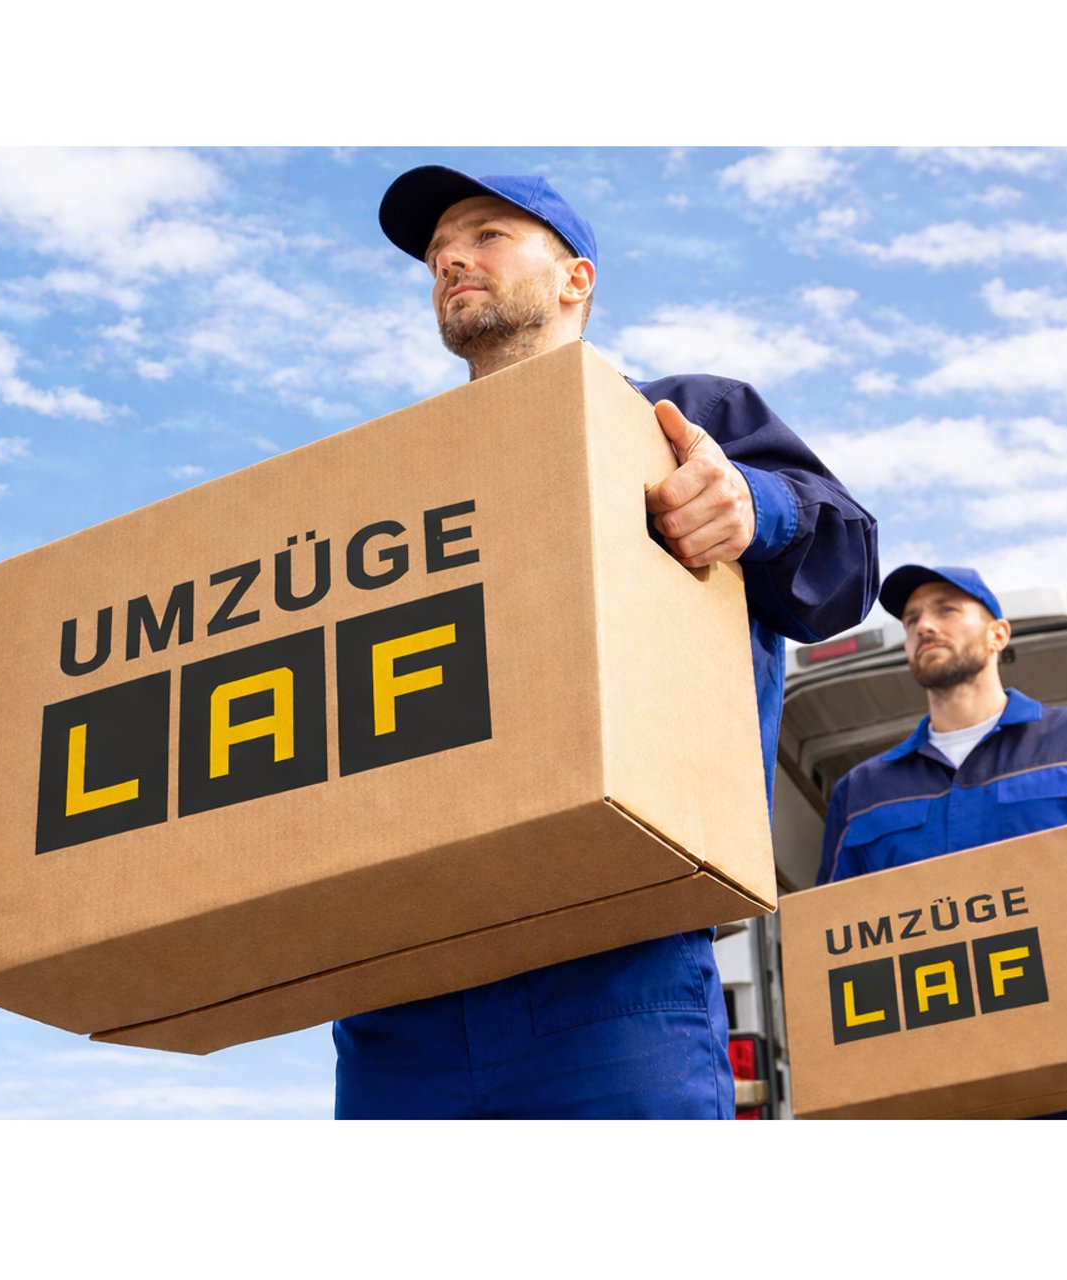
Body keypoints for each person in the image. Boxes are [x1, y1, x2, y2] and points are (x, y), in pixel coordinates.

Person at [331, 165, 880, 1119]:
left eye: (487, 235)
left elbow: (846, 567)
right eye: (437, 254)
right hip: (398, 988)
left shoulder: (684, 420)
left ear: (575, 279)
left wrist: (754, 506)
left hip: (617, 963)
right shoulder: (392, 484)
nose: (451, 259)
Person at [815, 564, 1067, 1118]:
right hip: (927, 1100)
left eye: (947, 610)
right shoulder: (861, 791)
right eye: (912, 619)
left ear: (998, 633)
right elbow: (830, 940)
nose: (924, 626)